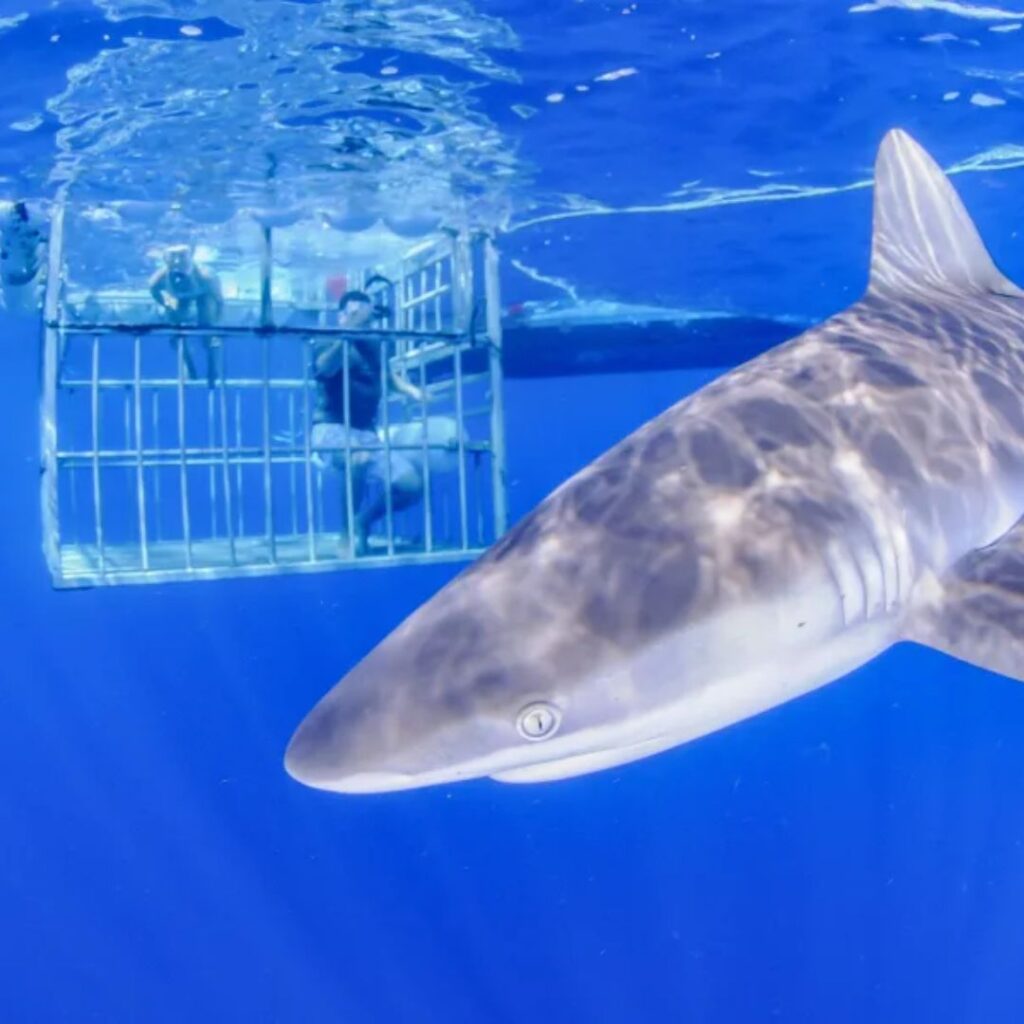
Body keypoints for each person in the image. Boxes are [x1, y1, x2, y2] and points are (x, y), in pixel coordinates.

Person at [311, 289, 428, 555]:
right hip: (330, 429)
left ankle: (362, 522)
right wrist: (349, 331)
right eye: (354, 314)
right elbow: (324, 369)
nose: (363, 321)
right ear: (341, 316)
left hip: (366, 433)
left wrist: (413, 391)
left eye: (366, 316)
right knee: (359, 458)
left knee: (412, 485)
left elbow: (387, 377)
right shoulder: (327, 339)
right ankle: (346, 534)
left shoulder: (374, 344)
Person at [148, 244, 223, 382]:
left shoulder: (207, 276)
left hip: (204, 297)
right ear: (165, 259)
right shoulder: (158, 280)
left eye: (182, 257)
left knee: (207, 321)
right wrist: (168, 303)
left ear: (191, 257)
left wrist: (215, 323)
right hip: (176, 299)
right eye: (173, 257)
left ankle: (213, 363)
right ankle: (188, 364)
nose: (177, 262)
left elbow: (219, 301)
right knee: (176, 328)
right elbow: (155, 291)